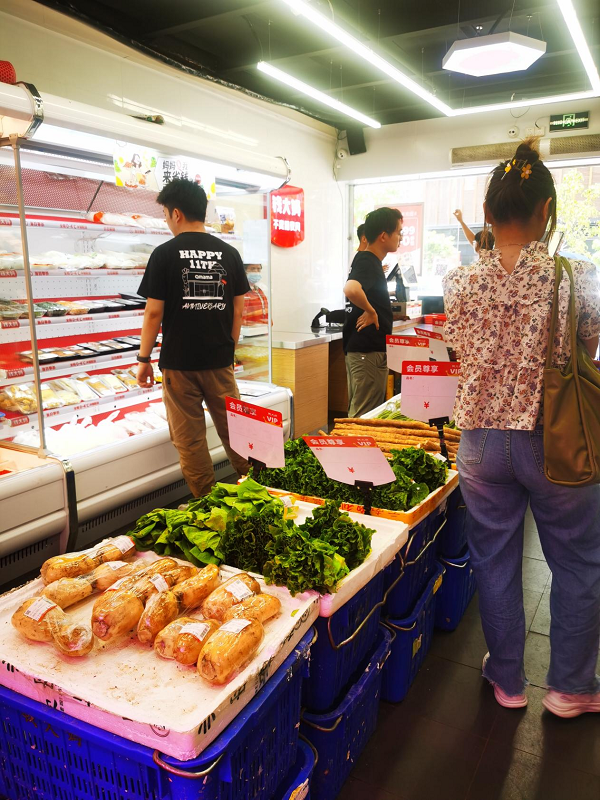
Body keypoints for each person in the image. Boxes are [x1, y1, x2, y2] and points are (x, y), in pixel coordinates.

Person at [443, 139, 600, 716]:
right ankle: (572, 688)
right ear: (547, 210)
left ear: (486, 215)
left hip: (482, 442)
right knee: (578, 561)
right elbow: (588, 348)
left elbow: (461, 352)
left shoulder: (459, 282)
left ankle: (507, 680)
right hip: (558, 438)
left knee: (494, 558)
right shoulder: (575, 275)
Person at [136, 178, 250, 497]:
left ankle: (207, 504)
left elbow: (153, 313)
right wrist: (227, 348)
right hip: (219, 360)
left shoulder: (164, 254)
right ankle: (261, 492)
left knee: (190, 440)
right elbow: (239, 309)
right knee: (237, 432)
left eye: (165, 215)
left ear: (176, 213)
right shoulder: (229, 253)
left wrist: (143, 359)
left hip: (179, 364)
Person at [343, 207, 402, 417]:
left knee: (365, 413)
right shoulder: (368, 260)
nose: (400, 238)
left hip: (366, 351)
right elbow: (351, 288)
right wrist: (371, 311)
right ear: (384, 235)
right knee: (363, 416)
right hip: (366, 352)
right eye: (398, 232)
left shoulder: (370, 260)